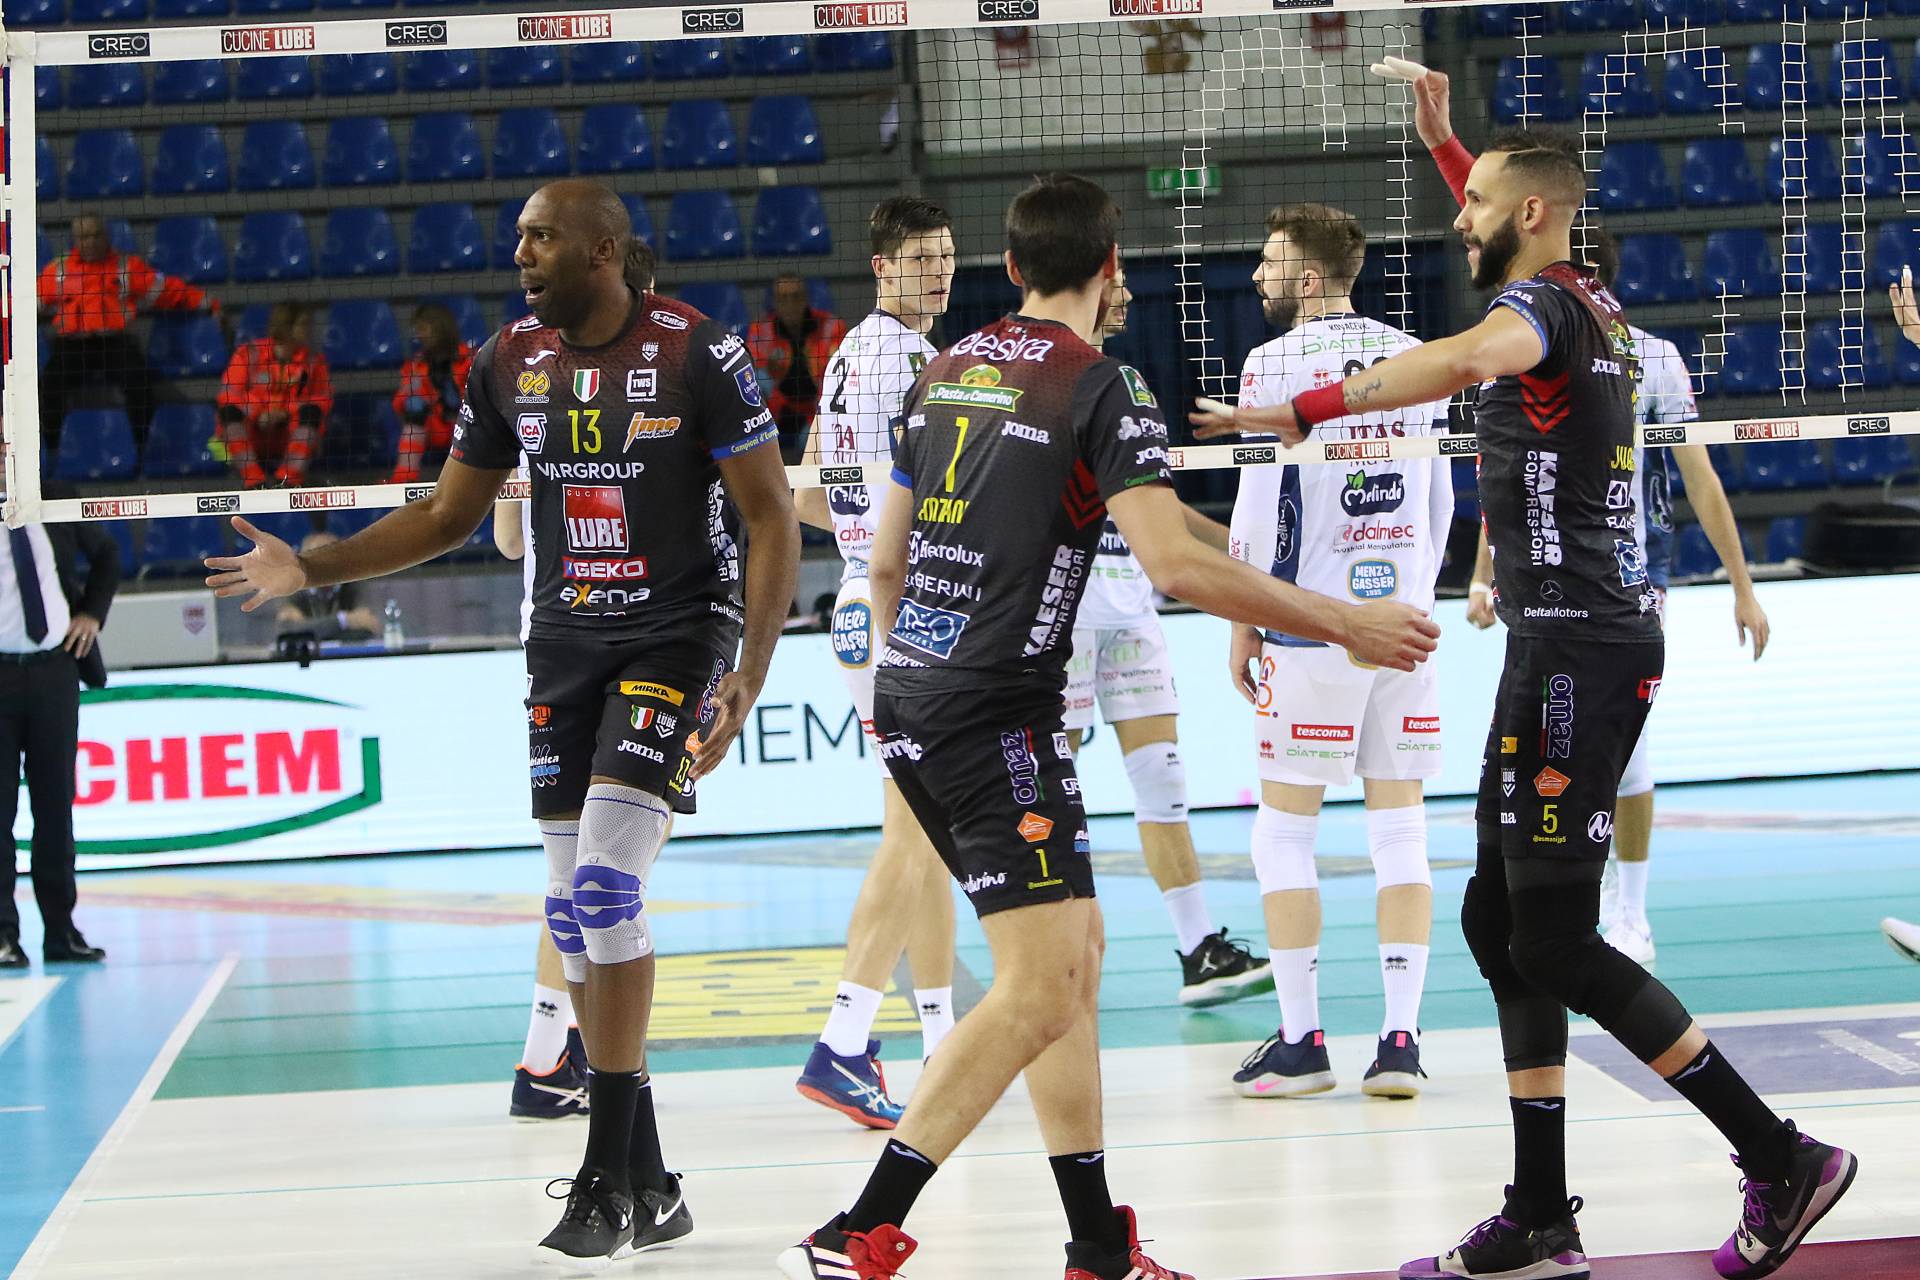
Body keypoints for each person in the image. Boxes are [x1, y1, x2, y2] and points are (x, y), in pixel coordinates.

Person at [1193, 131, 1855, 1280]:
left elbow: (1458, 358)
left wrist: (1308, 407)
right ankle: (1541, 1213)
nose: (1460, 215)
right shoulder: (1583, 297)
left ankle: (1780, 1153)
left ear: (1535, 215)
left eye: (1477, 201)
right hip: (1555, 641)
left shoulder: (1539, 310)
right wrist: (1448, 144)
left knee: (1551, 936)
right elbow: (1517, 218)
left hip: (1580, 652)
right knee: (1498, 923)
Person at [779, 172, 1438, 1280]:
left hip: (919, 694)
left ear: (1011, 266)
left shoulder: (944, 369)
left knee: (1074, 960)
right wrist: (1343, 620)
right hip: (995, 711)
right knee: (1041, 984)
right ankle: (858, 1229)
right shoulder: (1101, 383)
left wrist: (911, 683)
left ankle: (1097, 1243)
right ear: (1110, 267)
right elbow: (1174, 564)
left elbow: (883, 561)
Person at [205, 178, 799, 1267]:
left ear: (603, 250)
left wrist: (750, 670)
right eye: (518, 236)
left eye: (541, 237)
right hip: (563, 643)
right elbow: (446, 513)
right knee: (572, 914)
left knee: (606, 888)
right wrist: (314, 564)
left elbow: (772, 517)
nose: (518, 252)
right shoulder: (507, 359)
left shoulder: (698, 351)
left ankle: (605, 1177)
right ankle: (656, 1184)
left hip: (677, 635)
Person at [1396, 62, 1772, 970]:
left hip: (1625, 577)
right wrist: (1483, 573)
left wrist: (1743, 585)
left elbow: (1701, 479)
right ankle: (1563, 924)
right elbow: (1515, 470)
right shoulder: (1544, 322)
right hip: (1551, 582)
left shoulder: (1633, 347)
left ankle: (1624, 913)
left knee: (1619, 763)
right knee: (1544, 797)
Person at [1225, 203, 1451, 1100]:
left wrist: (1242, 621)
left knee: (1284, 832)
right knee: (1401, 829)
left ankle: (1302, 1041)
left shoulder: (1271, 364)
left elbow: (1255, 507)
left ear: (1310, 279)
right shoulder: (1415, 356)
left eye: (1271, 261)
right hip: (1403, 625)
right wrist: (1415, 599)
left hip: (1311, 624)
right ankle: (1400, 1041)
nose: (1258, 275)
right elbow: (1439, 502)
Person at [791, 196, 960, 1128]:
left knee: (923, 829)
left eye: (948, 257)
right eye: (921, 260)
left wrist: (863, 544)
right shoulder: (915, 362)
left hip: (862, 596)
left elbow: (809, 493)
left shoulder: (849, 353)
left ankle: (940, 1035)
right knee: (913, 833)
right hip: (903, 606)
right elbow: (941, 493)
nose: (939, 273)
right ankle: (843, 1041)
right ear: (882, 267)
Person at [1068, 264, 1273, 1008]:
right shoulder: (1052, 375)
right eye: (1116, 280)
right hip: (1062, 614)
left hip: (1129, 608)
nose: (1126, 292)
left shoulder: (1124, 382)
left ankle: (1199, 950)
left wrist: (1244, 550)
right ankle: (1052, 951)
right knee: (1050, 790)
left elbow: (1156, 508)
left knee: (1164, 781)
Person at [493, 480, 592, 1119]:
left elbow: (508, 540)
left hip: (548, 638)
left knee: (581, 866)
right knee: (602, 867)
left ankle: (565, 1046)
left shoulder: (517, 420)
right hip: (628, 635)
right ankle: (547, 1059)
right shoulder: (647, 419)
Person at [1, 477, 117, 969]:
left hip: (54, 670)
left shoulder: (50, 498)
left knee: (55, 809)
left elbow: (108, 552)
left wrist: (92, 613)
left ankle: (61, 931)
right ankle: (3, 935)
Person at [36, 215, 214, 452]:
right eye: (84, 237)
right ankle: (50, 449)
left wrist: (207, 302)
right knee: (49, 385)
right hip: (72, 346)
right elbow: (27, 300)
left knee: (139, 383)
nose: (91, 242)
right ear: (75, 240)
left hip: (115, 344)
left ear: (107, 236)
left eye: (96, 235)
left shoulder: (126, 266)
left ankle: (141, 447)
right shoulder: (58, 271)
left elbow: (166, 290)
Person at [216, 302, 334, 490]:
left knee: (313, 413)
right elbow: (228, 394)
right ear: (286, 325)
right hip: (252, 432)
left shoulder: (313, 361)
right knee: (229, 413)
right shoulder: (249, 354)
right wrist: (259, 414)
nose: (309, 329)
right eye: (303, 324)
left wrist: (284, 413)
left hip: (289, 433)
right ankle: (253, 481)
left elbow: (323, 399)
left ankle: (288, 481)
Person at [748, 273, 849, 462]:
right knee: (757, 377)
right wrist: (771, 370)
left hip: (816, 408)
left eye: (796, 296)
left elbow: (839, 373)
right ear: (775, 302)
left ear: (806, 299)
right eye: (783, 298)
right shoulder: (760, 329)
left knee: (812, 441)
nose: (790, 304)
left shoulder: (832, 326)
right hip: (776, 408)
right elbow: (753, 377)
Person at [388, 304, 475, 485]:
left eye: (423, 329)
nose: (418, 335)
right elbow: (398, 405)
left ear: (439, 329)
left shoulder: (469, 359)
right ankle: (404, 479)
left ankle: (475, 481)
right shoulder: (417, 364)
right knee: (414, 409)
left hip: (464, 426)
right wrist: (415, 392)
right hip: (431, 427)